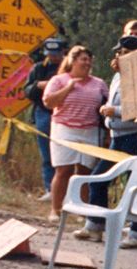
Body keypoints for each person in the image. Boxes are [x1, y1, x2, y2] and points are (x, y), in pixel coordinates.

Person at [75, 34, 137, 244]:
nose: (119, 57)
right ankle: (95, 224)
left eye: (124, 53)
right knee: (99, 179)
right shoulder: (118, 76)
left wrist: (113, 110)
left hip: (131, 135)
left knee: (134, 185)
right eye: (118, 53)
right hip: (116, 135)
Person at [42, 45, 108, 222]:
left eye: (88, 59)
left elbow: (105, 103)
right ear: (73, 61)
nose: (86, 63)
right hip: (64, 128)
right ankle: (56, 209)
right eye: (83, 59)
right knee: (64, 170)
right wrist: (69, 88)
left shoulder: (99, 83)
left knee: (85, 172)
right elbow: (48, 102)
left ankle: (81, 210)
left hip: (89, 130)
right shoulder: (59, 80)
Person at [24, 37, 66, 204]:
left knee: (65, 156)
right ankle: (50, 188)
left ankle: (65, 191)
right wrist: (38, 85)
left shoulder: (68, 68)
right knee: (46, 154)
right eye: (50, 54)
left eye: (56, 54)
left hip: (65, 113)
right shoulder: (38, 68)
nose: (53, 57)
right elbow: (26, 91)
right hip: (43, 112)